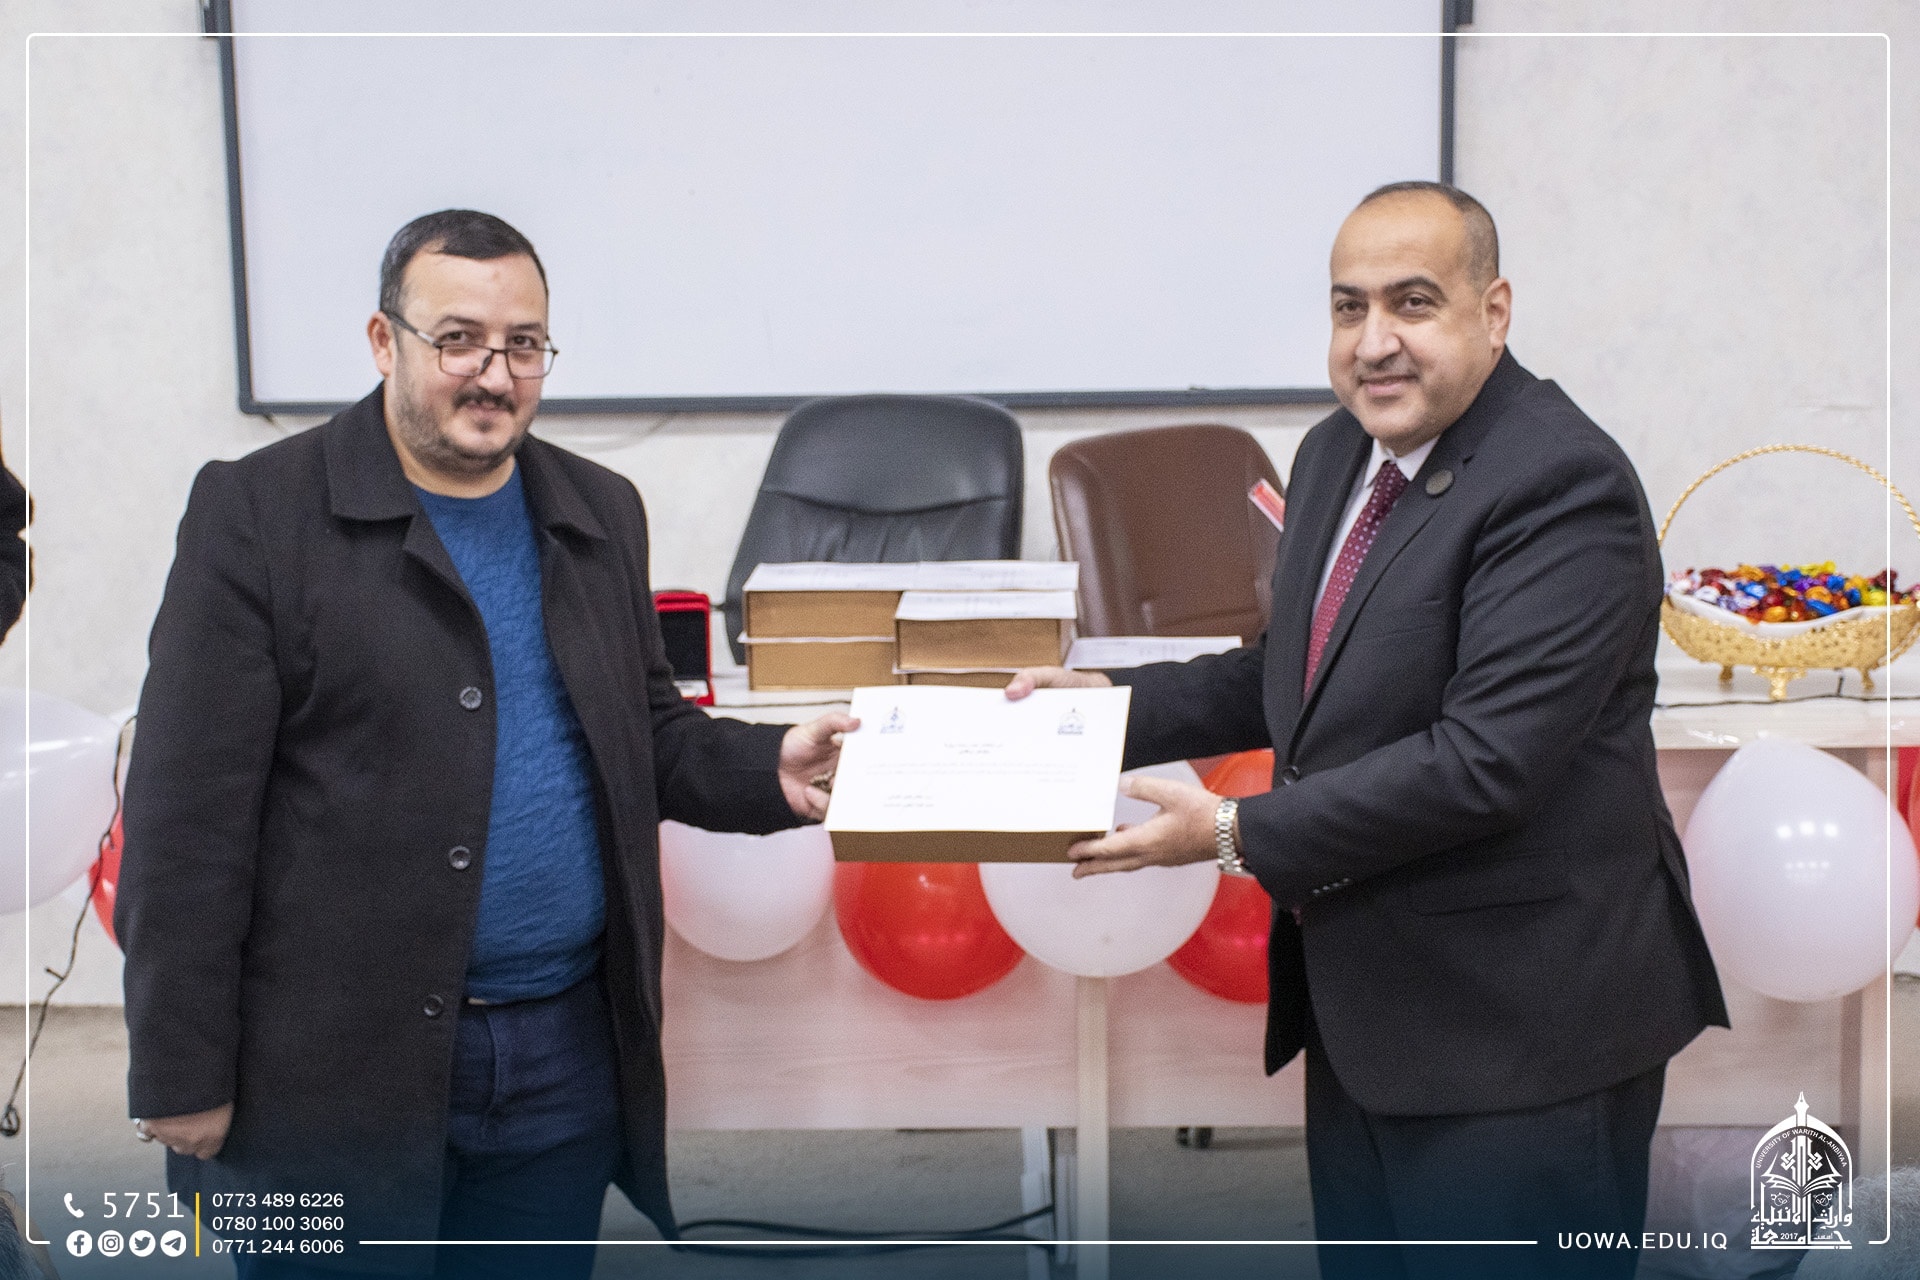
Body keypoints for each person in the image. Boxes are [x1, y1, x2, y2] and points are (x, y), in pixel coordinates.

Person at [116, 209, 854, 1279]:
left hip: (560, 1061)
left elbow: (644, 726)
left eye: (524, 345)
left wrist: (766, 762)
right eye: (458, 340)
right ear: (385, 341)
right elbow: (186, 814)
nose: (494, 375)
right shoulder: (259, 515)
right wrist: (180, 1067)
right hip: (330, 1069)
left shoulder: (599, 509)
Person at [1009, 182, 1727, 1279]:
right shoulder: (1336, 453)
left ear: (1494, 311)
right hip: (1369, 1016)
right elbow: (1286, 671)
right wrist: (1098, 709)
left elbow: (1485, 764)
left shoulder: (1561, 482)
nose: (1373, 341)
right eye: (1349, 307)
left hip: (1521, 1036)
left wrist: (1232, 832)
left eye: (1412, 302)